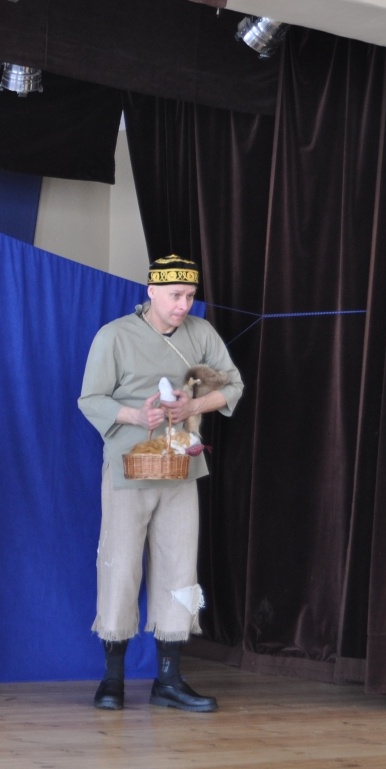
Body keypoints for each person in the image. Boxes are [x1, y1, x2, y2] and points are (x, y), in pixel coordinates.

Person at [77, 255, 244, 713]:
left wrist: (192, 407)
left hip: (181, 470)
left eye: (189, 296)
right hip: (128, 469)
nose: (183, 305)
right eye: (175, 295)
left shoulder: (200, 334)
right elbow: (90, 399)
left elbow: (232, 386)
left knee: (179, 568)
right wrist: (136, 415)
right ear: (151, 291)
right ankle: (112, 680)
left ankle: (168, 680)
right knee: (120, 567)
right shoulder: (114, 336)